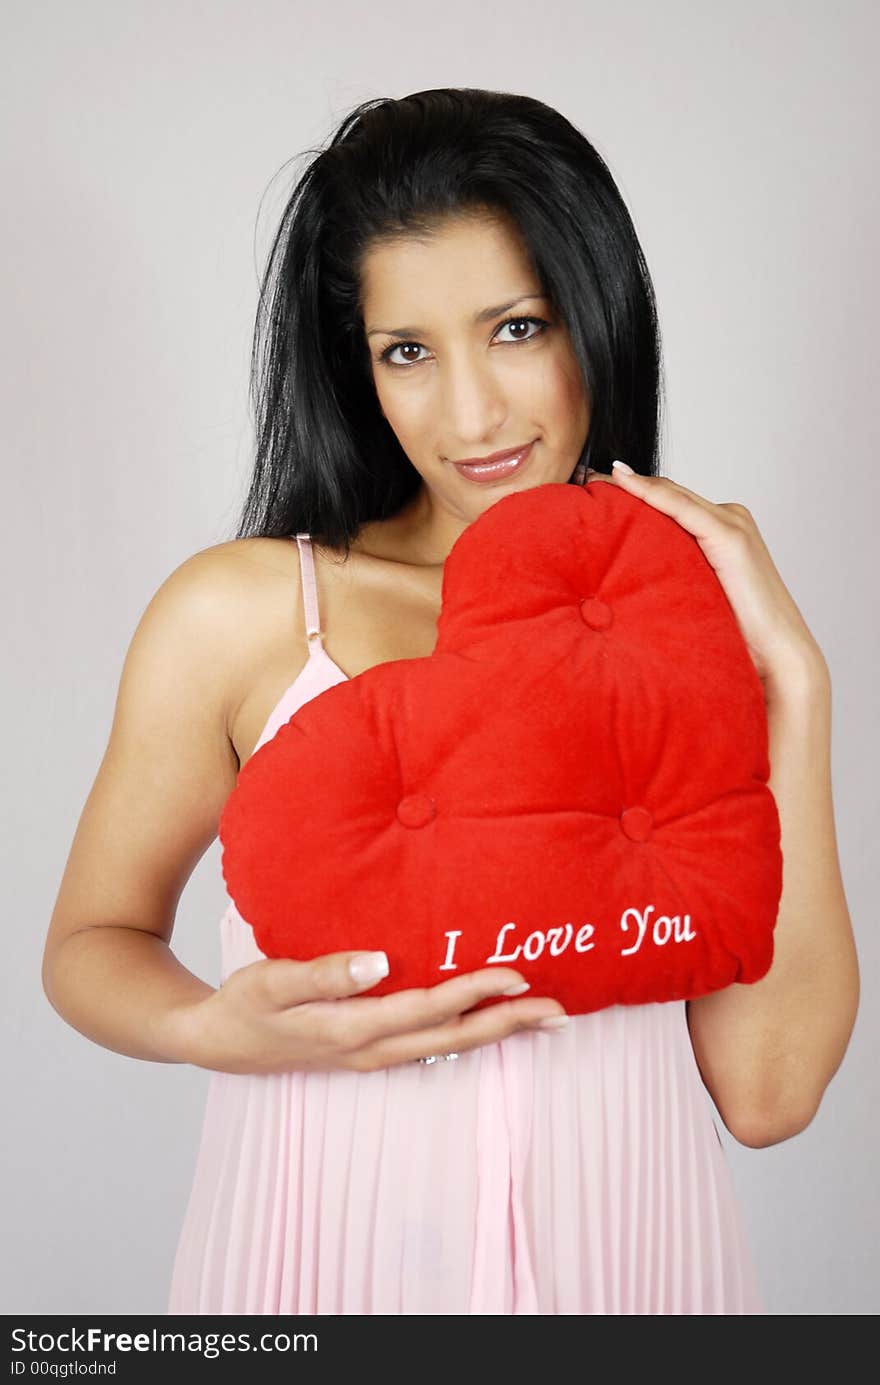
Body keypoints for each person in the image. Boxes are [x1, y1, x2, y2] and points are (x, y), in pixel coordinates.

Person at [41, 88, 859, 1316]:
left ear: (598, 314)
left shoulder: (683, 619)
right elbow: (88, 944)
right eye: (407, 351)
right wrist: (223, 1030)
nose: (471, 413)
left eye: (517, 328)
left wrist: (792, 685)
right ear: (355, 365)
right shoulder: (248, 613)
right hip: (320, 1267)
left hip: (629, 1269)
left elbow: (769, 1093)